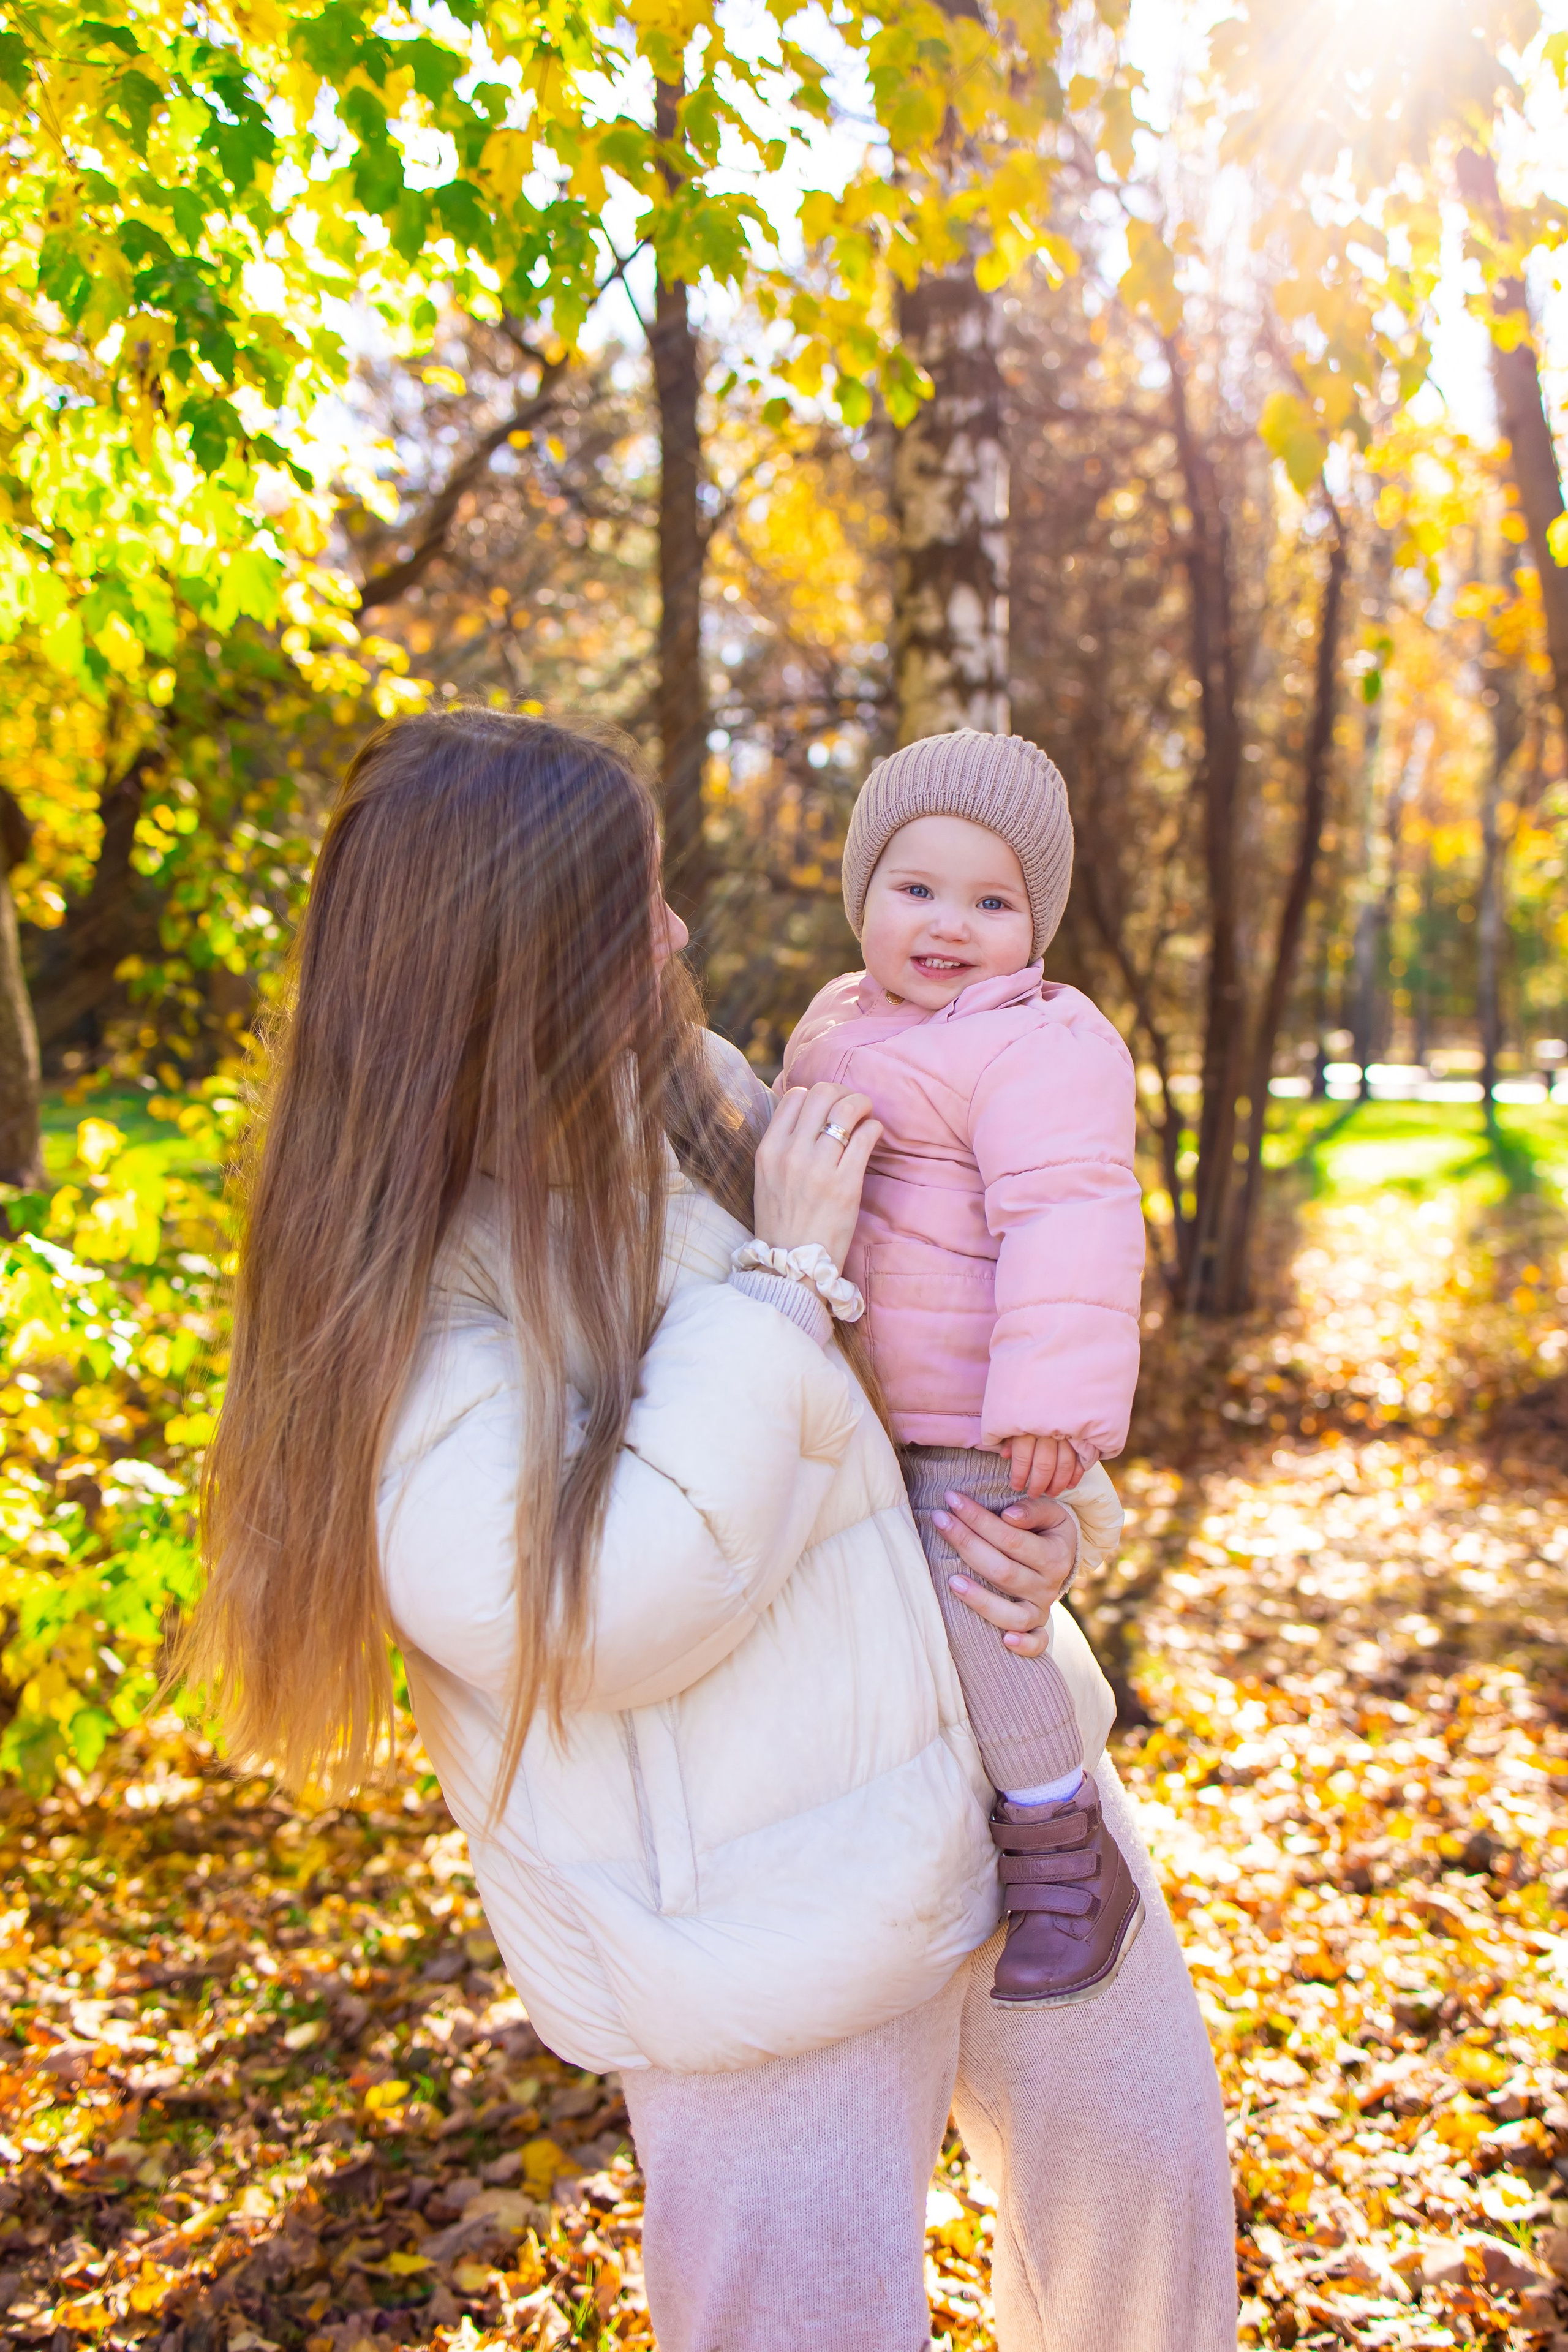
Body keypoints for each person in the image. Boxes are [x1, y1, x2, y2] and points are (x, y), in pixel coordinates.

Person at [181, 708, 1235, 2352]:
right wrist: (784, 1284)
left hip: (1011, 1799)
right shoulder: (409, 1296)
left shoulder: (692, 1103)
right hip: (766, 1931)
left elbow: (950, 1326)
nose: (677, 934)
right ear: (516, 954)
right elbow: (596, 1617)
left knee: (1150, 2257)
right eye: (637, 903)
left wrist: (1055, 1514)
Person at [783, 730, 1147, 2009]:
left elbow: (1071, 1218)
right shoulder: (831, 1020)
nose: (948, 925)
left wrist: (1047, 1408)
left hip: (961, 1416)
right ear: (862, 895)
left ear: (1034, 925)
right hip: (844, 1398)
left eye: (991, 902)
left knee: (985, 1611)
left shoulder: (1037, 1042)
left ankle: (1058, 1845)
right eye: (916, 889)